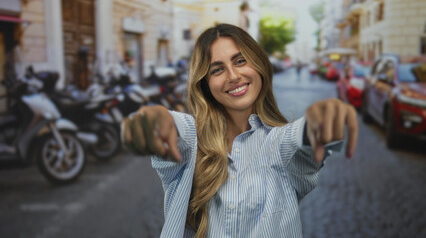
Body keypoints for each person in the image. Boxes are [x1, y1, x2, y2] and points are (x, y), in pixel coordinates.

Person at [121, 23, 358, 238]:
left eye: (240, 60)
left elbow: (301, 140)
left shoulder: (280, 144)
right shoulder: (191, 140)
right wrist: (155, 118)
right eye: (217, 70)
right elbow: (174, 127)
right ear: (204, 84)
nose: (233, 76)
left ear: (259, 65)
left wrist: (319, 122)